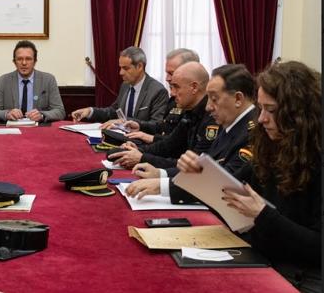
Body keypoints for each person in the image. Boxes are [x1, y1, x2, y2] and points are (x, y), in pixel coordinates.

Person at [178, 61, 321, 292]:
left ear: (299, 113)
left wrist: (263, 215)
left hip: (303, 274)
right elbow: (230, 187)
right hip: (264, 253)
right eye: (261, 108)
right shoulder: (271, 144)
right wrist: (200, 175)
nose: (262, 118)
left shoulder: (317, 158)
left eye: (271, 110)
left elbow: (317, 247)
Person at [126, 64, 257, 203]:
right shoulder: (230, 126)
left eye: (214, 98)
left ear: (238, 99)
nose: (208, 107)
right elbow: (203, 171)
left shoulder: (251, 133)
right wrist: (160, 174)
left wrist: (162, 185)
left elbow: (224, 184)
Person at [109, 62, 217, 170]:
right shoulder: (190, 111)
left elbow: (194, 167)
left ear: (194, 87)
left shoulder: (212, 118)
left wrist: (142, 157)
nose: (172, 93)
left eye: (176, 87)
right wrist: (139, 150)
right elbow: (168, 145)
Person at [71, 46, 168, 127]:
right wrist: (89, 111)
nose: (121, 73)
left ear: (139, 66)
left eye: (126, 68)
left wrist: (123, 122)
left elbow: (156, 125)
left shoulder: (157, 91)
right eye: (120, 68)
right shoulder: (125, 86)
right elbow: (114, 111)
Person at [118, 48, 200, 144]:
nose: (167, 78)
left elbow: (177, 146)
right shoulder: (173, 102)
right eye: (166, 73)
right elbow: (162, 127)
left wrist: (143, 153)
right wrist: (140, 126)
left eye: (171, 73)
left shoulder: (204, 111)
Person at [0, 40, 65, 122]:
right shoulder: (2, 81)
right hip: (12, 129)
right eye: (19, 59)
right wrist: (7, 114)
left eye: (28, 59)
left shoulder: (48, 80)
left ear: (35, 61)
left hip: (38, 129)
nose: (24, 63)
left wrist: (42, 115)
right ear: (14, 62)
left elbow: (60, 111)